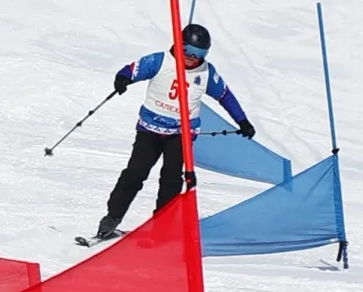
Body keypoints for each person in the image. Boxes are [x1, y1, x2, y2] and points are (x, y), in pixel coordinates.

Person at [92, 22, 254, 241]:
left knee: (171, 179)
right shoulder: (160, 61)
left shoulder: (206, 72)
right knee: (135, 173)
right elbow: (131, 70)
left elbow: (225, 96)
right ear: (179, 45)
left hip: (181, 134)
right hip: (150, 130)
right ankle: (112, 217)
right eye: (189, 51)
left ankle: (162, 226)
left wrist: (242, 121)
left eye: (200, 54)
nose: (192, 57)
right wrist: (123, 79)